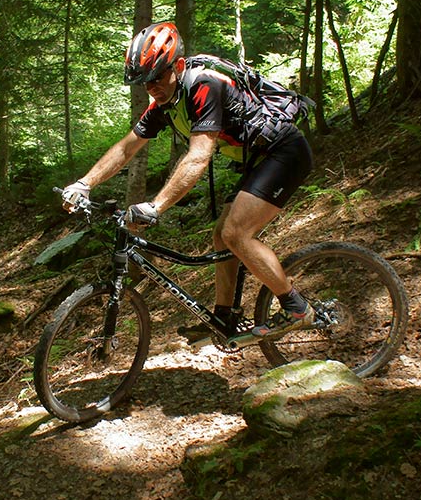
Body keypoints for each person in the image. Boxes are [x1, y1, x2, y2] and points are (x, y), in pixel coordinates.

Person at [61, 21, 314, 345]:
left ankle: (296, 307)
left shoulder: (204, 86)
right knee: (221, 237)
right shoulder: (164, 102)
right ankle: (225, 317)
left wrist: (156, 206)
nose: (151, 87)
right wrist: (84, 183)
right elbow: (126, 148)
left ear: (178, 66)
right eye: (144, 82)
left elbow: (198, 156)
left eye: (157, 77)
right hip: (257, 158)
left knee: (236, 233)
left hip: (284, 151)